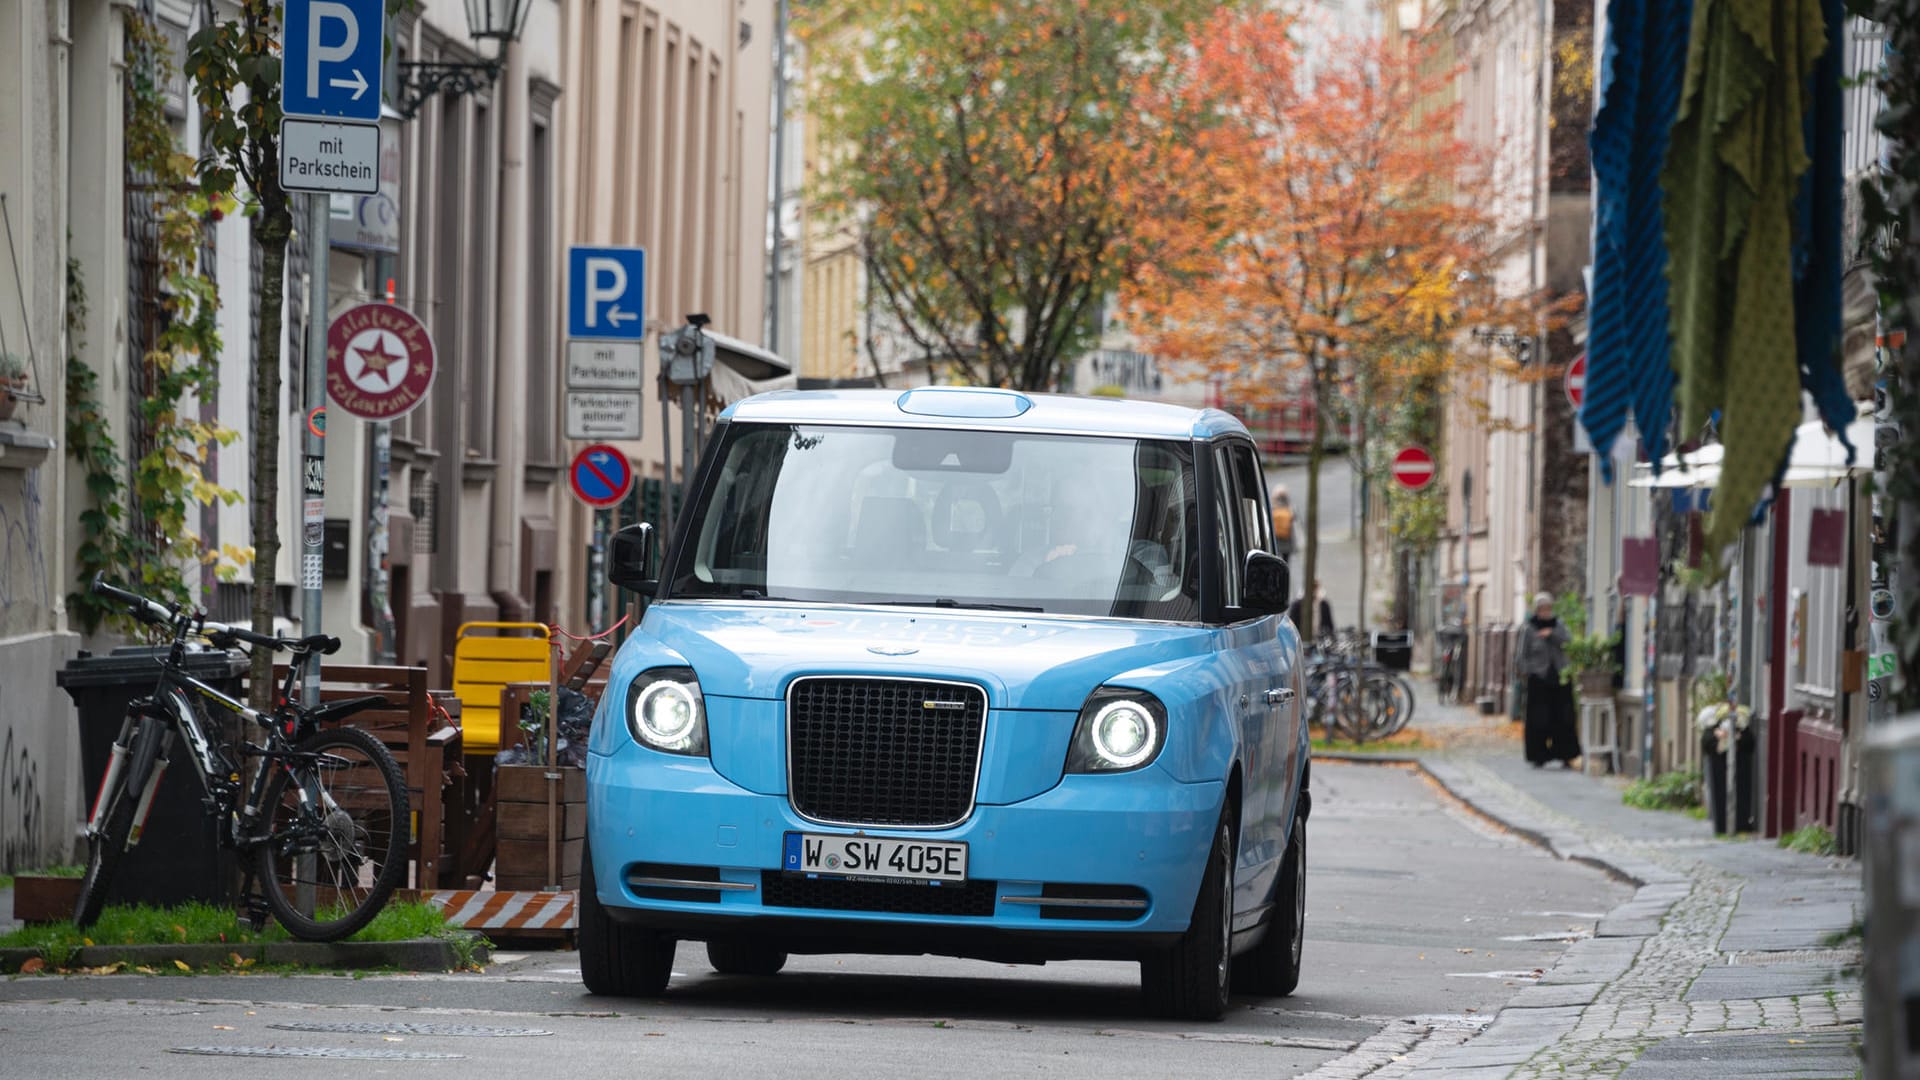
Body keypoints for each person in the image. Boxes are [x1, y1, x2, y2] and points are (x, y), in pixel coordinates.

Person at [1514, 592, 1581, 768]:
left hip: (1560, 678)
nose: (1545, 612)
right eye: (1542, 609)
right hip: (1539, 680)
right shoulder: (1528, 629)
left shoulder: (1559, 625)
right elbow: (1521, 657)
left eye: (1548, 608)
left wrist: (1552, 635)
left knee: (1563, 718)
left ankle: (1565, 754)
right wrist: (1531, 672)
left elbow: (1569, 643)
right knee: (1539, 720)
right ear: (1536, 610)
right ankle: (1538, 755)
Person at [1271, 485, 1296, 562]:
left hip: (1277, 539)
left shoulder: (1274, 506)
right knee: (1286, 560)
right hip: (1287, 540)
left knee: (1276, 558)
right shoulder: (1288, 507)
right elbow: (1294, 516)